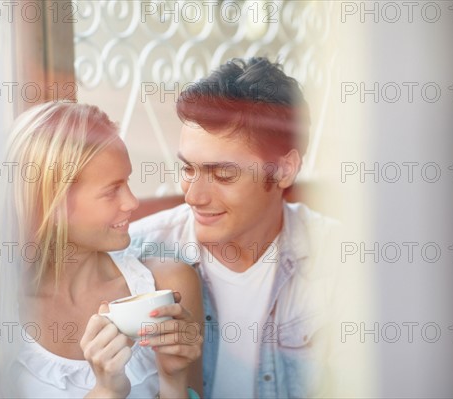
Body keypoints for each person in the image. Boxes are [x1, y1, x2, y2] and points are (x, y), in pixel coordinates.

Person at [0, 102, 203, 398]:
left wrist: (173, 379)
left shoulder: (169, 287)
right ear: (52, 204)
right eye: (111, 190)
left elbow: (188, 388)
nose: (132, 202)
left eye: (126, 182)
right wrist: (105, 392)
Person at [123, 57, 340, 398]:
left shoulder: (340, 260)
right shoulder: (134, 256)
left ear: (284, 170)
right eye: (188, 169)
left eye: (223, 175)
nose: (193, 196)